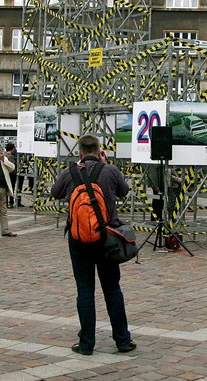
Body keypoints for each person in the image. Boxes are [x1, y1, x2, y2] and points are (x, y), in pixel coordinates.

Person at [50, 134, 135, 356]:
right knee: (112, 288)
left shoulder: (70, 172)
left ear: (79, 152)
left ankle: (87, 343)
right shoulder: (110, 171)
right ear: (99, 151)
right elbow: (124, 192)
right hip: (107, 238)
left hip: (78, 239)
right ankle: (123, 340)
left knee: (85, 289)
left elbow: (54, 193)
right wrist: (106, 165)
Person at [5, 143, 18, 208]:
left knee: (5, 188)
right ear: (12, 149)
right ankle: (11, 202)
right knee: (11, 188)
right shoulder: (11, 157)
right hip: (12, 174)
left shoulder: (4, 155)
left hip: (5, 174)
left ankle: (5, 202)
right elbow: (12, 167)